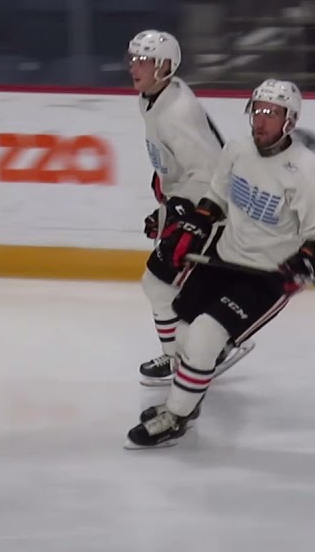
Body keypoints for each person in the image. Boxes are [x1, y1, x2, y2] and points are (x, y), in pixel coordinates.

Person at [128, 78, 315, 448]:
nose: (261, 121)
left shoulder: (306, 171)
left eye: (272, 113)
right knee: (181, 337)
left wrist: (302, 264)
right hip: (221, 258)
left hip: (265, 277)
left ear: (289, 120)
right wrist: (193, 226)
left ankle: (177, 416)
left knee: (203, 338)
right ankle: (189, 398)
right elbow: (215, 197)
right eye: (258, 111)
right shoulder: (237, 150)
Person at [127, 29, 254, 388]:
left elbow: (213, 169)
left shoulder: (177, 111)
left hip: (211, 207)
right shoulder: (153, 98)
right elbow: (178, 158)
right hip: (189, 199)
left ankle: (189, 355)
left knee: (159, 282)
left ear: (166, 66)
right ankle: (197, 350)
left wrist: (187, 209)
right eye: (133, 59)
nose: (135, 67)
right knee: (174, 285)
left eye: (145, 60)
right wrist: (166, 191)